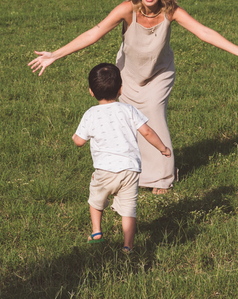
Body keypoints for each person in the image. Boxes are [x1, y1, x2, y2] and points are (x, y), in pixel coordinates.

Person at [30, 0, 238, 193]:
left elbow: (203, 31)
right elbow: (95, 32)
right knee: (129, 125)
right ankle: (130, 173)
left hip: (159, 74)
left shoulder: (171, 11)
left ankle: (162, 178)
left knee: (153, 117)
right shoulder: (127, 10)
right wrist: (55, 55)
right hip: (128, 75)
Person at [73, 63, 171, 251]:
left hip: (104, 170)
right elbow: (148, 132)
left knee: (96, 200)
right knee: (128, 209)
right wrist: (163, 148)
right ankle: (128, 246)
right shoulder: (129, 110)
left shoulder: (90, 114)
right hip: (130, 170)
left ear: (91, 92)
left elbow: (79, 141)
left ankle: (96, 231)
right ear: (121, 89)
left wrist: (75, 137)